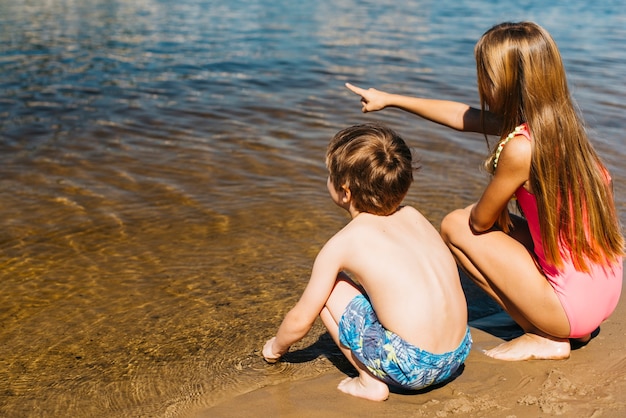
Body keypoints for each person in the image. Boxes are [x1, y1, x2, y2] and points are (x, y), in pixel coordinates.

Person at [345, 21, 624, 361]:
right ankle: (556, 320)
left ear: (506, 83)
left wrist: (497, 201)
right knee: (495, 226)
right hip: (603, 291)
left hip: (573, 307)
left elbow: (479, 222)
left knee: (456, 224)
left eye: (486, 75)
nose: (482, 84)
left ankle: (543, 335)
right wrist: (390, 100)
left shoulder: (521, 148)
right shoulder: (560, 128)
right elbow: (464, 116)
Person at [262, 123, 472, 401]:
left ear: (344, 192)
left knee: (329, 289)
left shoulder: (343, 243)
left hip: (413, 368)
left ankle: (369, 382)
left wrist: (275, 348)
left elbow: (301, 320)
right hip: (457, 355)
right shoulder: (415, 216)